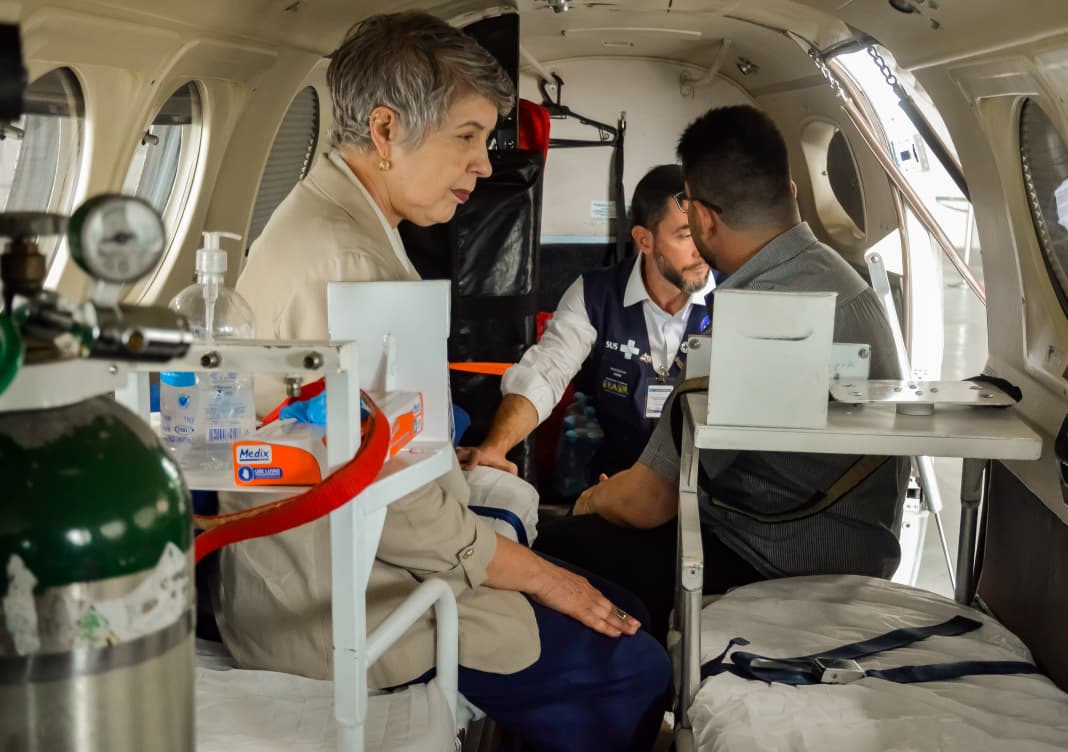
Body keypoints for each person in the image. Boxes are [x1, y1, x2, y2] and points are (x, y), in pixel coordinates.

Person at [220, 13, 669, 751]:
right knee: (633, 666)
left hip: (342, 563)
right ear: (386, 129)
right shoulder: (351, 265)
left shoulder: (336, 221)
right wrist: (540, 576)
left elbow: (360, 441)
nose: (484, 165)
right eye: (467, 136)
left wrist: (446, 462)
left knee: (620, 607)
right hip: (340, 601)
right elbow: (392, 502)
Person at [534, 105, 912, 635]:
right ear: (790, 192)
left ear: (705, 219)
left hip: (770, 557)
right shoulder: (850, 287)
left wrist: (589, 500)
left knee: (548, 551)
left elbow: (648, 503)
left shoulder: (756, 319)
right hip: (855, 545)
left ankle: (642, 684)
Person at [459, 164, 715, 480]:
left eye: (706, 231)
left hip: (705, 485)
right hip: (617, 482)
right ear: (644, 240)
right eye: (686, 235)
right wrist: (495, 448)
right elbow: (545, 372)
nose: (702, 249)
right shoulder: (594, 294)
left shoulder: (736, 294)